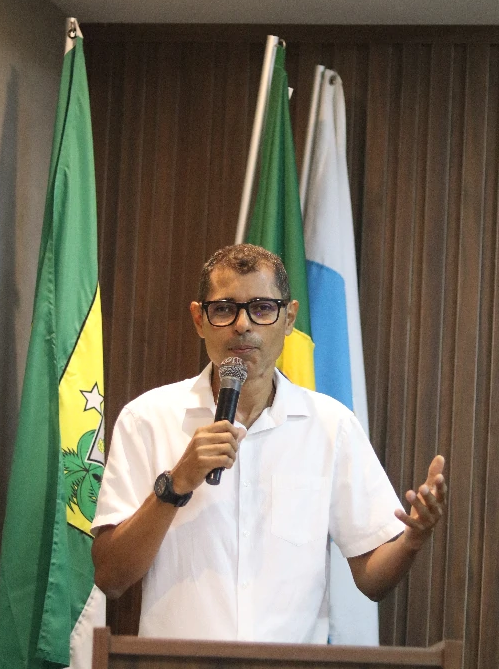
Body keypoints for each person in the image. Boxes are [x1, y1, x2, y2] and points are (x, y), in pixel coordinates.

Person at [91, 244, 446, 643]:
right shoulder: (147, 419)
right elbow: (111, 577)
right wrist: (174, 486)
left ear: (289, 317)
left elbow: (372, 579)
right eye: (224, 309)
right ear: (199, 319)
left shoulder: (331, 426)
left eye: (262, 308)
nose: (243, 325)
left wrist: (412, 540)